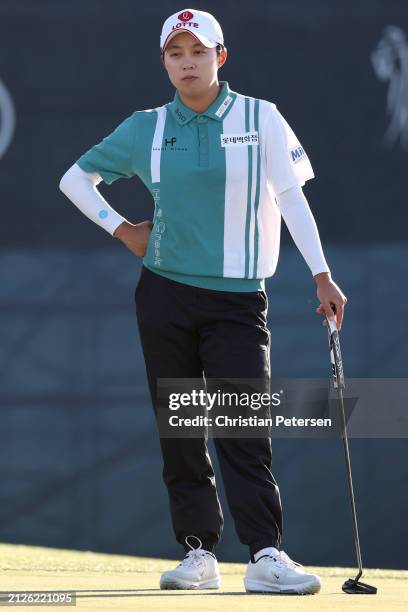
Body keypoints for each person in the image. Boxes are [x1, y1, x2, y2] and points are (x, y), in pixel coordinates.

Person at [59, 8, 347, 595]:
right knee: (181, 428)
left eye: (197, 51)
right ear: (164, 62)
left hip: (239, 299)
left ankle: (266, 554)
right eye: (174, 53)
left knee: (244, 424)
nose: (186, 62)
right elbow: (74, 179)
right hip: (164, 293)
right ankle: (198, 553)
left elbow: (291, 199)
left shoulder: (260, 117)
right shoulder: (145, 127)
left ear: (221, 56)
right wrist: (122, 229)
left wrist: (322, 274)